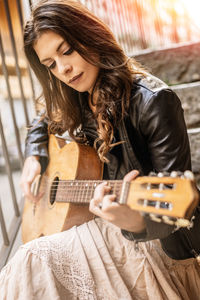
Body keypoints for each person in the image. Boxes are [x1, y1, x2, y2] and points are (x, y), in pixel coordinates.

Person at [0, 0, 200, 299]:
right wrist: (34, 155)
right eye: (50, 64)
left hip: (157, 246)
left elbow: (176, 210)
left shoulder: (153, 101)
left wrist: (133, 221)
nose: (64, 68)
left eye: (67, 50)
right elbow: (42, 118)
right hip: (104, 227)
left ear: (90, 34)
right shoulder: (77, 95)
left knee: (32, 260)